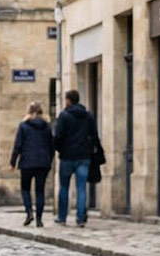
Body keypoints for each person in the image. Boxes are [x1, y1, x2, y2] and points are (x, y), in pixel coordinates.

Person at [53, 89, 100, 227]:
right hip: (83, 156)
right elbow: (94, 135)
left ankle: (62, 217)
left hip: (67, 157)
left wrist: (60, 150)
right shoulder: (88, 116)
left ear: (68, 100)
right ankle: (80, 218)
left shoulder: (64, 116)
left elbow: (58, 137)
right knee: (81, 188)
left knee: (64, 187)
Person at [10, 101, 54, 227]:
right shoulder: (47, 126)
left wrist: (13, 162)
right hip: (43, 163)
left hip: (27, 163)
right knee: (40, 191)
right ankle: (39, 219)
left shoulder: (24, 126)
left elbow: (18, 145)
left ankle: (29, 212)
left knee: (25, 189)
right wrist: (49, 160)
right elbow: (51, 145)